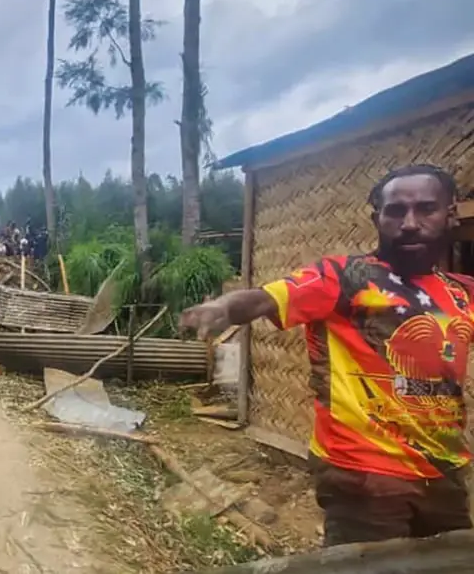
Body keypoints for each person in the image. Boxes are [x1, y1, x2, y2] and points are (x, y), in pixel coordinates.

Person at [179, 165, 474, 547]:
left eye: (426, 209)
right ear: (376, 218)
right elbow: (266, 297)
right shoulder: (342, 277)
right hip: (363, 471)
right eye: (396, 211)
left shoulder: (462, 293)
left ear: (450, 214)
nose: (410, 223)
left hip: (444, 470)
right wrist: (223, 307)